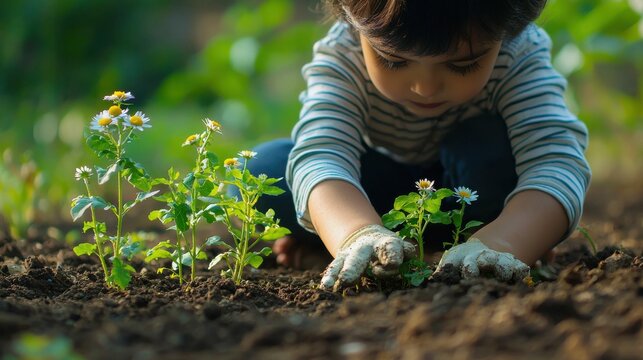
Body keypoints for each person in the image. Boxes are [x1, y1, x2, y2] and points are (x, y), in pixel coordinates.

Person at [235, 0, 591, 291]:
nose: (425, 87)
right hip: (382, 198)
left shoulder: (518, 53)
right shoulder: (343, 54)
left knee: (491, 150)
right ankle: (373, 248)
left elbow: (556, 162)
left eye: (463, 64)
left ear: (508, 30)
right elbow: (322, 152)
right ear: (351, 18)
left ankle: (493, 245)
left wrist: (507, 243)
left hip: (475, 200)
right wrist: (355, 234)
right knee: (260, 174)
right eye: (394, 60)